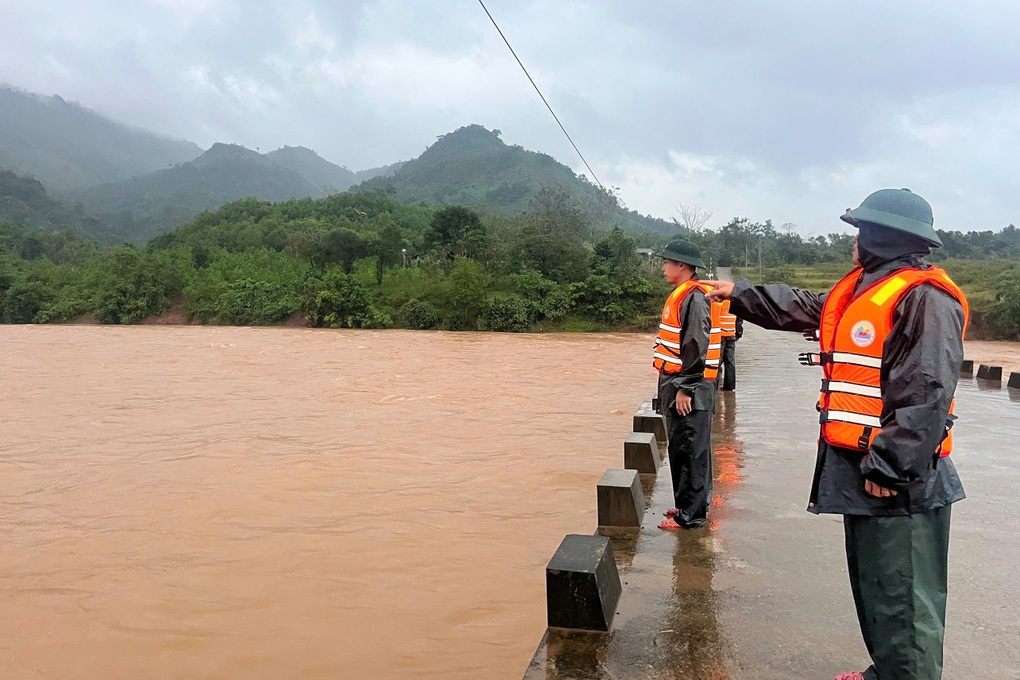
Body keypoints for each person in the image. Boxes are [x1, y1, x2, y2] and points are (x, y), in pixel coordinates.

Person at [708, 188, 968, 680]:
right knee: (877, 587)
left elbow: (927, 389)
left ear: (882, 237)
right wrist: (738, 294)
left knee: (904, 599)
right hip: (863, 466)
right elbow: (803, 307)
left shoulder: (924, 298)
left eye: (860, 231)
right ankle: (886, 671)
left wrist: (891, 467)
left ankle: (903, 674)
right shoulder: (862, 291)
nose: (853, 241)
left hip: (896, 478)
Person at [652, 239, 721, 530]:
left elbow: (696, 344)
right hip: (680, 381)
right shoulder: (684, 295)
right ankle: (688, 505)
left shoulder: (693, 298)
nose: (664, 267)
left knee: (691, 448)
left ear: (681, 265)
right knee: (683, 447)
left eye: (667, 262)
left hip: (690, 385)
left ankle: (691, 515)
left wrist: (685, 387)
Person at [716, 299, 743, 391]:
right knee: (730, 361)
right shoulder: (734, 304)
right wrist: (738, 334)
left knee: (716, 360)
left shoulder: (717, 304)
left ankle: (713, 384)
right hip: (731, 335)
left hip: (719, 336)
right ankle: (730, 386)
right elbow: (739, 321)